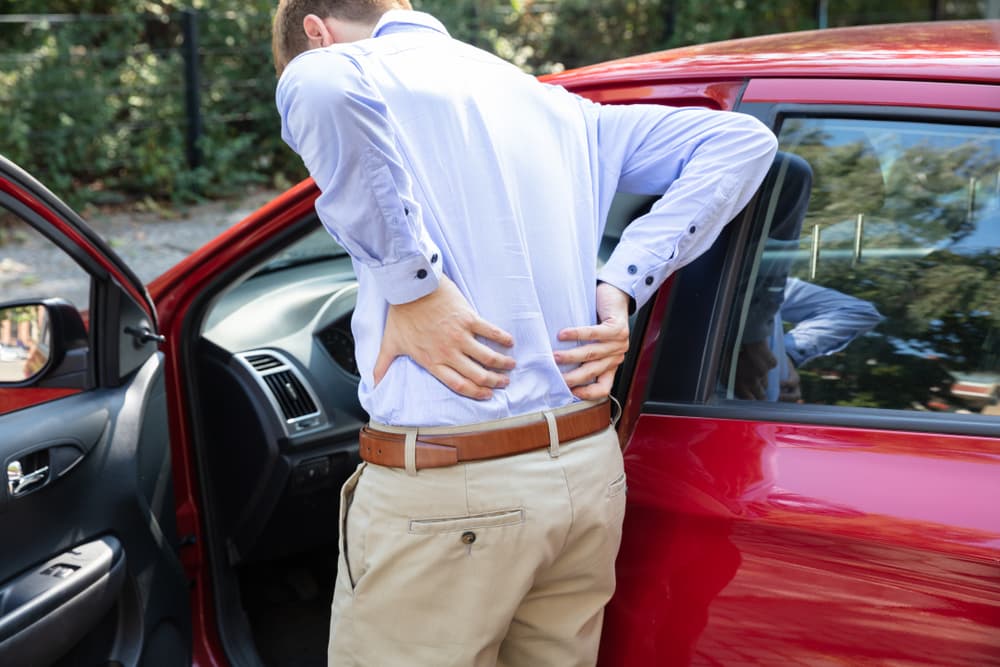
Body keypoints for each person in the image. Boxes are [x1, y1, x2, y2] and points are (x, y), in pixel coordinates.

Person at [271, 1, 778, 664]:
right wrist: (622, 281)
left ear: (317, 32)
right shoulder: (557, 108)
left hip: (453, 490)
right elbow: (743, 142)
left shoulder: (342, 70)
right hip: (584, 472)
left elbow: (318, 84)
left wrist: (414, 285)